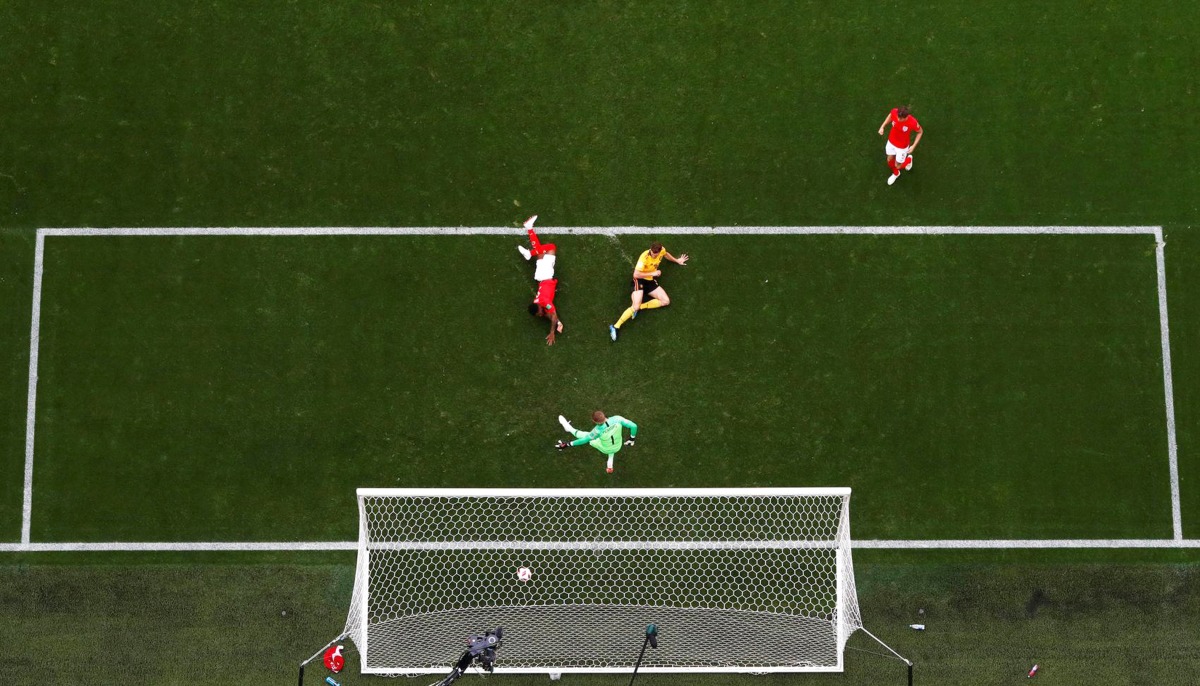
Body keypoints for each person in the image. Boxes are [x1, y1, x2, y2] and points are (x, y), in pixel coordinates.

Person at [609, 241, 688, 341]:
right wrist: (653, 273)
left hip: (650, 281)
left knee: (666, 301)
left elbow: (666, 254)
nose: (653, 255)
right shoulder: (644, 257)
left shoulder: (662, 251)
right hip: (639, 280)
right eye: (652, 253)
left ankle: (639, 307)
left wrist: (677, 260)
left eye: (655, 254)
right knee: (635, 305)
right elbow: (636, 275)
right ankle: (615, 327)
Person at [518, 215, 564, 345]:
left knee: (551, 247)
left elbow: (552, 314)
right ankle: (529, 228)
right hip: (540, 276)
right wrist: (558, 323)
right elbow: (550, 316)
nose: (540, 315)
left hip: (546, 275)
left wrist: (552, 332)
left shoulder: (545, 302)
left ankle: (529, 253)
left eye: (539, 313)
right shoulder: (538, 302)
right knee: (540, 251)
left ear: (539, 308)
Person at [556, 411, 638, 473]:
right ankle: (609, 467)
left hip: (605, 448)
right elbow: (634, 426)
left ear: (595, 421)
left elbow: (584, 440)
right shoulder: (617, 419)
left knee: (584, 435)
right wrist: (631, 439)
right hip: (618, 446)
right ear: (604, 415)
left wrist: (568, 444)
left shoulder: (597, 431)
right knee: (611, 447)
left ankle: (569, 428)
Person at [878, 106, 922, 186]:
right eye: (898, 117)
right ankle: (896, 173)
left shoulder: (912, 122)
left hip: (902, 147)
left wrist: (913, 146)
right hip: (891, 142)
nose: (898, 119)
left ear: (906, 117)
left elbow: (920, 132)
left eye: (901, 118)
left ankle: (908, 160)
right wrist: (882, 126)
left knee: (897, 165)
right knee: (889, 159)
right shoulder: (895, 112)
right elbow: (891, 115)